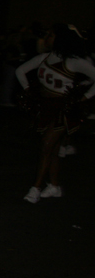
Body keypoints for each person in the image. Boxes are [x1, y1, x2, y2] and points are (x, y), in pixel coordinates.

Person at [15, 24, 95, 203]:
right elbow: (20, 71)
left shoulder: (74, 62)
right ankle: (54, 186)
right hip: (45, 107)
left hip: (63, 109)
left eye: (51, 35)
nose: (47, 38)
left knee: (46, 145)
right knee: (52, 149)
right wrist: (28, 90)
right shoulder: (44, 57)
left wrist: (84, 97)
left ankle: (35, 187)